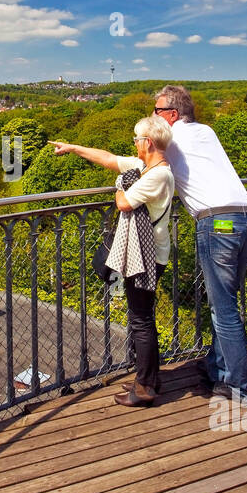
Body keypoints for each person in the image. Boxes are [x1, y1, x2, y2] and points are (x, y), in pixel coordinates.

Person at [50, 114, 175, 407]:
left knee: (141, 320)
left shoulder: (158, 175)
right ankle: (150, 378)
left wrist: (121, 183)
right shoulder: (145, 167)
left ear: (149, 142)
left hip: (146, 255)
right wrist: (74, 148)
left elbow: (123, 202)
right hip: (148, 252)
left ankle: (144, 387)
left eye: (137, 139)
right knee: (143, 318)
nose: (134, 143)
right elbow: (107, 158)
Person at [153, 85, 247, 401]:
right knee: (225, 302)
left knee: (224, 308)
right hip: (246, 221)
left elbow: (145, 167)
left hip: (218, 224)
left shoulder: (170, 138)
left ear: (171, 115)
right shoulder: (206, 132)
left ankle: (239, 386)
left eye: (156, 112)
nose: (152, 117)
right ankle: (217, 368)